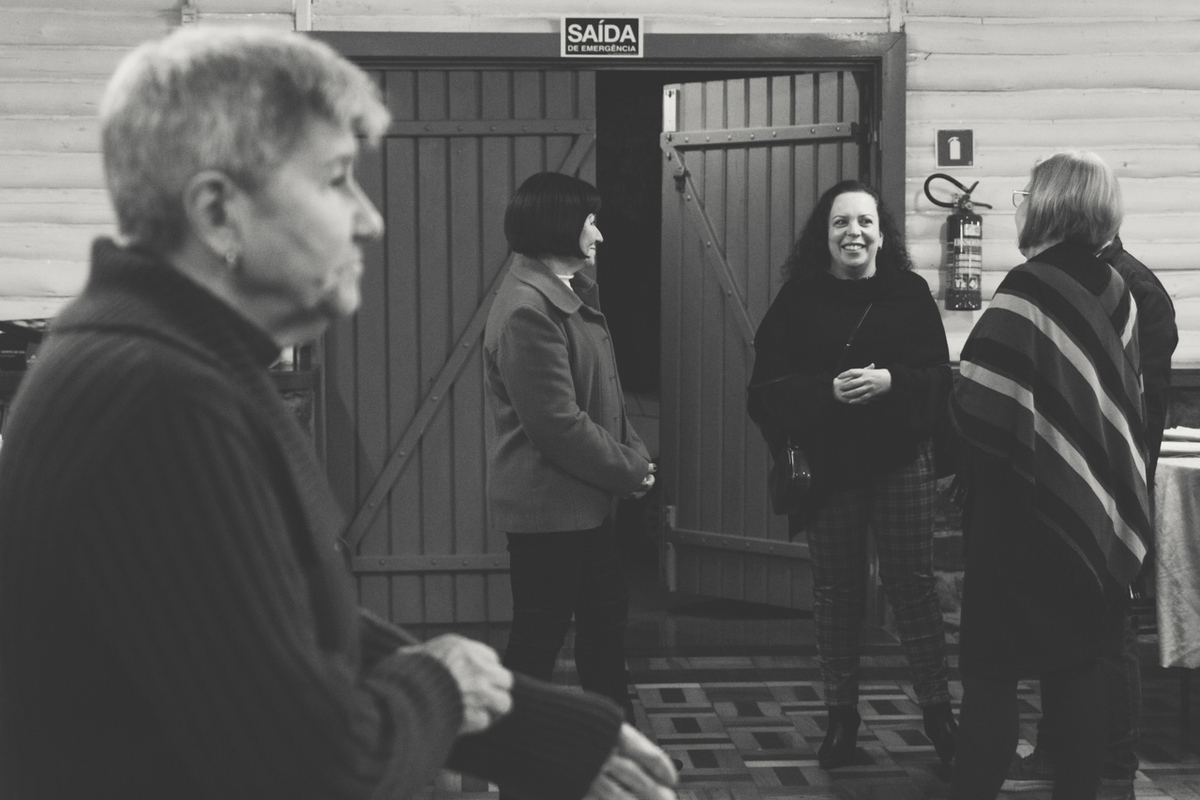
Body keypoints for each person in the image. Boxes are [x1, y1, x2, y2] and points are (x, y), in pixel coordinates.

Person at [0, 27, 677, 800]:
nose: (368, 218)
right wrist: (443, 684)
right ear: (219, 213)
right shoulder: (159, 399)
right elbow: (320, 764)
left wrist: (539, 733)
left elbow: (298, 620)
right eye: (335, 181)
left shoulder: (181, 359)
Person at [949, 151, 1151, 800]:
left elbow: (975, 398)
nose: (1023, 204)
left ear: (1052, 203)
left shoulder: (1028, 286)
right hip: (1089, 520)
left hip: (1015, 514)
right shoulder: (1118, 291)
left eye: (1028, 194)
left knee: (990, 672)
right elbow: (1119, 413)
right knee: (1079, 670)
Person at [747, 180, 956, 770]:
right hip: (829, 468)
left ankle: (939, 716)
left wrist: (892, 381)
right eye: (841, 222)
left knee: (913, 587)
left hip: (900, 461)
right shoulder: (798, 299)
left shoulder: (909, 294)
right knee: (836, 592)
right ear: (824, 235)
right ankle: (841, 719)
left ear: (882, 235)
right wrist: (825, 392)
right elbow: (764, 391)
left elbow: (941, 381)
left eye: (865, 222)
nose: (853, 233)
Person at [1001, 233, 1177, 799]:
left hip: (1110, 488)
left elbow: (1140, 412)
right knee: (1067, 621)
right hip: (1070, 481)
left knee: (1111, 630)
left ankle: (1115, 764)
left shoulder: (1134, 288)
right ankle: (1060, 748)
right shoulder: (1066, 275)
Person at [483, 172, 656, 728]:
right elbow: (558, 425)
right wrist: (631, 471)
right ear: (559, 225)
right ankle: (516, 760)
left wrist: (635, 453)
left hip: (583, 506)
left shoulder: (564, 291)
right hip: (550, 510)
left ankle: (612, 752)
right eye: (590, 221)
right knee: (538, 641)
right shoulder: (528, 309)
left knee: (604, 628)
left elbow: (605, 394)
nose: (599, 234)